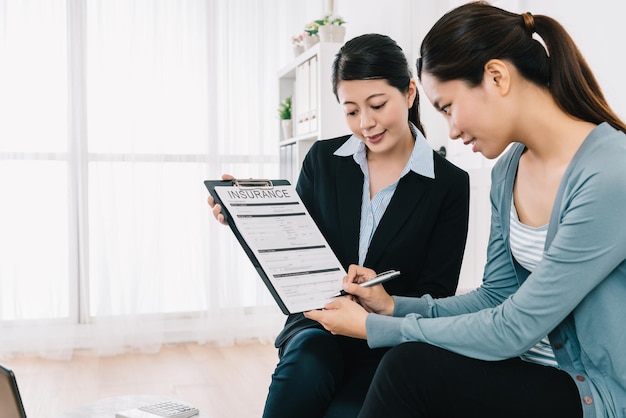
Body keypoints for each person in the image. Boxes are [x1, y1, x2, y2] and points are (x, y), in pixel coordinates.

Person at [304, 2, 626, 417]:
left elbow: (513, 327)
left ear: (496, 76)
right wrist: (392, 306)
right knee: (407, 366)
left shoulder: (609, 172)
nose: (451, 130)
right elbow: (495, 295)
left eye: (448, 107)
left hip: (595, 394)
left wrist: (372, 327)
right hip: (530, 372)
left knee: (408, 368)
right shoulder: (508, 170)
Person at [208, 33, 470, 417]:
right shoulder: (322, 161)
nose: (366, 123)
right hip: (319, 326)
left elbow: (437, 295)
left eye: (377, 105)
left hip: (389, 341)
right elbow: (294, 248)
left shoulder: (449, 184)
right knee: (306, 363)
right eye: (351, 111)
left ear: (410, 93)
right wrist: (244, 216)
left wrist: (378, 308)